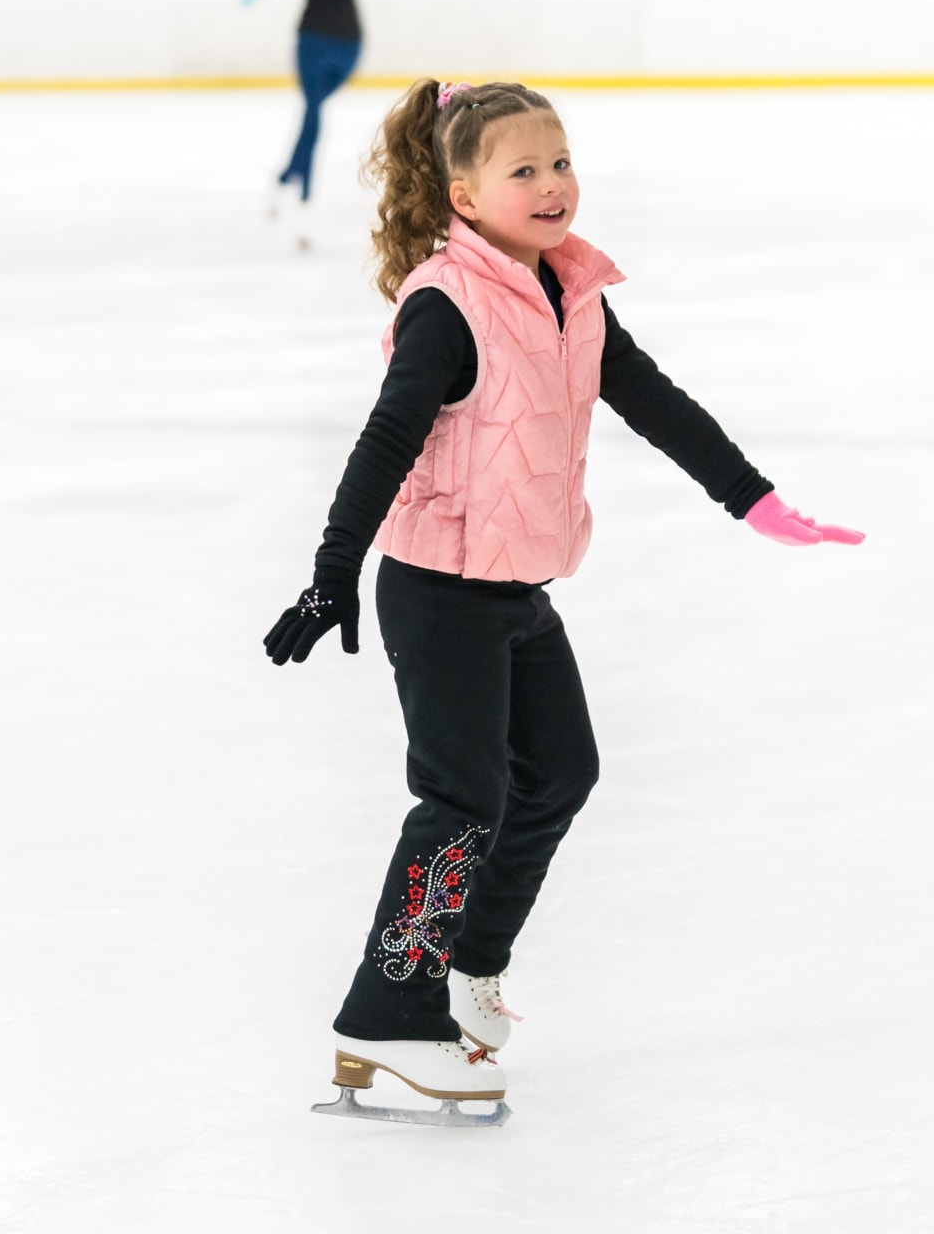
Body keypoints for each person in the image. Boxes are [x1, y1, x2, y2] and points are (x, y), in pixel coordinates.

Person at [264, 79, 864, 1117]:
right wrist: (333, 570)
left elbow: (651, 397)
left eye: (561, 162)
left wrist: (751, 499)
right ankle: (386, 1012)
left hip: (513, 584)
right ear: (464, 195)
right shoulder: (447, 304)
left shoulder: (569, 289)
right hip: (439, 588)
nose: (553, 185)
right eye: (524, 170)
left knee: (559, 771)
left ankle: (468, 962)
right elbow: (388, 435)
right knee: (462, 798)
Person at [242, 0, 365, 235]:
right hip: (314, 41)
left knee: (313, 110)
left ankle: (288, 175)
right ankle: (304, 193)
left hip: (348, 45)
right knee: (313, 112)